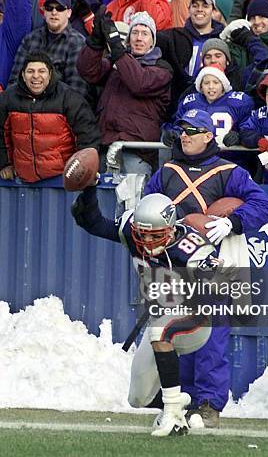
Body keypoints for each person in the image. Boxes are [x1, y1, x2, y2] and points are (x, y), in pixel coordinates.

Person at [144, 108, 268, 427]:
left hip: (214, 267)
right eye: (181, 130)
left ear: (207, 135)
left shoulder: (230, 171)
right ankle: (181, 400)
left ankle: (209, 404)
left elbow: (262, 205)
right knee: (179, 335)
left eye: (192, 130)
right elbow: (146, 207)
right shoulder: (166, 172)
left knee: (211, 337)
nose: (184, 136)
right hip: (175, 266)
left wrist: (232, 222)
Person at [71, 186, 219, 436]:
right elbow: (93, 223)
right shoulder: (132, 230)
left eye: (155, 235)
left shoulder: (191, 249)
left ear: (171, 228)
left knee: (161, 331)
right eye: (143, 235)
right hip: (160, 318)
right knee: (137, 398)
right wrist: (88, 189)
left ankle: (172, 412)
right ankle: (180, 411)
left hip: (195, 318)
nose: (148, 242)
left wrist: (207, 272)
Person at [77, 10, 172, 174]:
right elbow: (88, 71)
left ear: (152, 42)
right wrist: (96, 41)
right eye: (134, 32)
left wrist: (116, 47)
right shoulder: (117, 63)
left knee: (132, 198)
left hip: (136, 150)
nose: (139, 38)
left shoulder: (162, 69)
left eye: (145, 33)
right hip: (106, 145)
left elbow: (139, 83)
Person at [0, 52, 100, 183]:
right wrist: (5, 164)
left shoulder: (69, 98)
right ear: (23, 75)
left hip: (62, 179)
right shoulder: (7, 99)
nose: (36, 76)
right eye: (30, 71)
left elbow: (87, 135)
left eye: (41, 71)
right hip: (22, 179)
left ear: (50, 74)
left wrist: (82, 170)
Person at [7, 0, 88, 99]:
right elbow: (14, 81)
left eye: (59, 8)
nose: (54, 12)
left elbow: (76, 91)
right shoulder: (30, 39)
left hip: (59, 110)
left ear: (69, 13)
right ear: (44, 12)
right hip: (26, 106)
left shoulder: (78, 43)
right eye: (49, 8)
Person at [156, 0, 225, 112]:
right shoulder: (175, 35)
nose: (199, 9)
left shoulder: (223, 38)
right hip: (178, 102)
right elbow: (151, 38)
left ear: (213, 11)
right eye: (195, 6)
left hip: (213, 103)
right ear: (189, 9)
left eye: (205, 6)